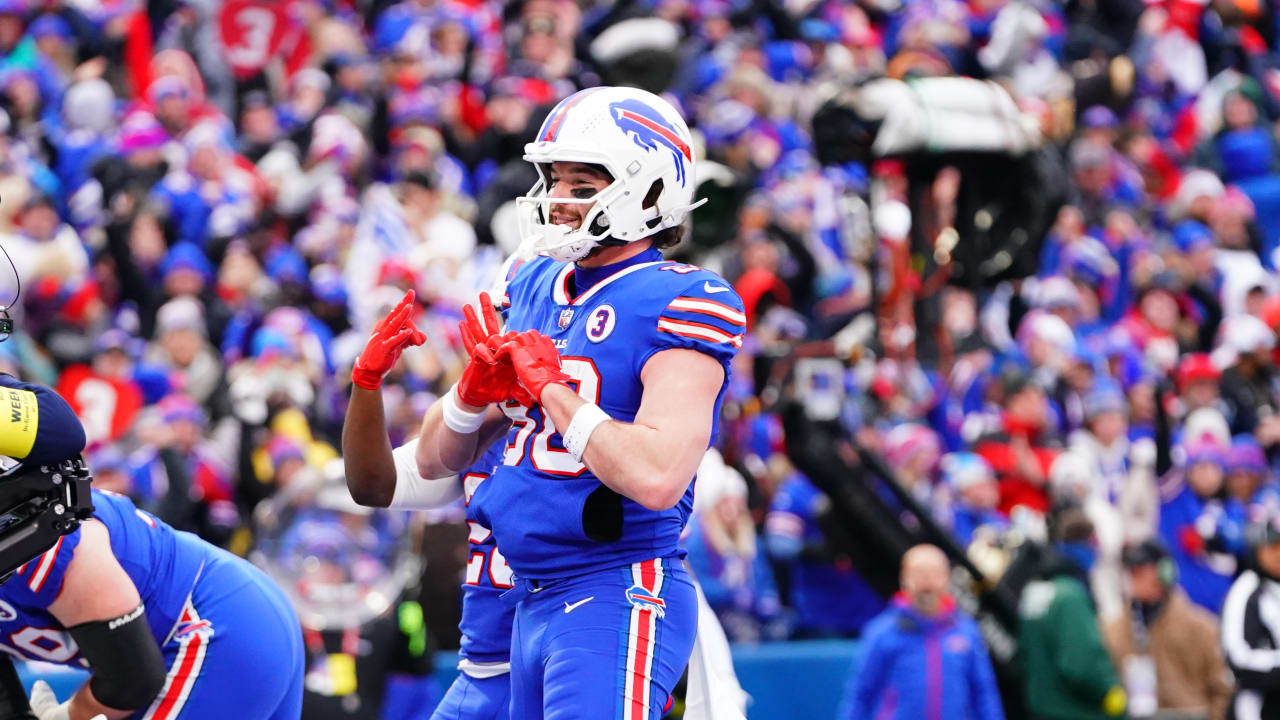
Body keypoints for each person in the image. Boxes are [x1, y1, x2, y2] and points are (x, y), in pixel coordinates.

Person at [408, 86, 743, 719]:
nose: (559, 201)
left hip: (614, 590)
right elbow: (431, 461)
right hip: (521, 599)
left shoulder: (683, 298)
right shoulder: (527, 279)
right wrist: (470, 399)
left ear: (647, 193)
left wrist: (550, 391)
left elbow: (656, 476)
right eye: (555, 180)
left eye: (582, 184)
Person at [341, 289, 515, 720]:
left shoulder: (593, 405)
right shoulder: (483, 428)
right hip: (486, 659)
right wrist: (365, 383)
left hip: (568, 636)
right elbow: (373, 486)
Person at [838, 544, 1005, 720]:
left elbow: (984, 693)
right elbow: (861, 695)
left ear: (947, 578)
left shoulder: (965, 630)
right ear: (904, 579)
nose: (927, 581)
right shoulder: (882, 633)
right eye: (918, 573)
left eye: (934, 573)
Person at [1101, 539, 1232, 720]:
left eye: (1141, 570)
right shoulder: (1113, 628)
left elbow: (1222, 689)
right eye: (1131, 571)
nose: (1134, 577)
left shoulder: (1201, 627)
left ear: (1165, 572)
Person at [1018, 507, 1127, 720]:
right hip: (1073, 711)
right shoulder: (1070, 596)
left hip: (1039, 708)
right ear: (1091, 542)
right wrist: (1111, 692)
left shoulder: (1035, 589)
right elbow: (1080, 665)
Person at [1221, 513, 1280, 720]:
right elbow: (1238, 658)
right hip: (1257, 704)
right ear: (1260, 549)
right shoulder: (1246, 589)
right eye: (1273, 546)